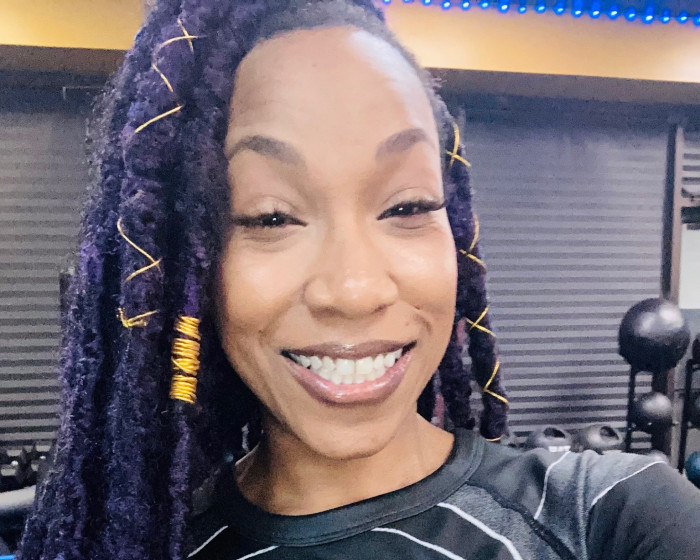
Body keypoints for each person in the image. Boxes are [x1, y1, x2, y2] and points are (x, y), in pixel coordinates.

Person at [16, 1, 700, 559]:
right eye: (271, 216)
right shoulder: (148, 546)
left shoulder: (612, 520)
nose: (355, 290)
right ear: (186, 269)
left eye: (406, 206)